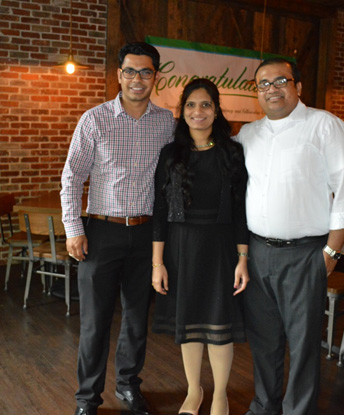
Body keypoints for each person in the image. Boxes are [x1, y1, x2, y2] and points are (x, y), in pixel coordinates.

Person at [235, 58, 344, 415]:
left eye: (281, 81)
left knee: (304, 345)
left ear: (298, 87)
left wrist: (330, 256)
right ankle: (264, 406)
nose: (271, 89)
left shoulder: (325, 126)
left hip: (306, 254)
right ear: (256, 91)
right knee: (263, 342)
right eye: (263, 83)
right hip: (258, 254)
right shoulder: (249, 134)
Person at [60, 42, 176, 415]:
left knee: (137, 319)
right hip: (102, 232)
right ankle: (87, 399)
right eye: (130, 71)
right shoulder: (94, 119)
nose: (137, 79)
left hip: (146, 235)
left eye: (145, 71)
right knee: (95, 323)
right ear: (119, 74)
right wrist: (73, 227)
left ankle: (128, 385)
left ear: (156, 76)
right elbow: (72, 177)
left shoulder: (167, 123)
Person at [151, 78, 250, 415]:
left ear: (217, 110)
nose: (198, 111)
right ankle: (194, 392)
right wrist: (157, 263)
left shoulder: (231, 152)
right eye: (191, 105)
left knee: (219, 324)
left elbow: (240, 210)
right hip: (181, 249)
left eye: (205, 104)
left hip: (221, 248)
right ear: (183, 111)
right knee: (190, 322)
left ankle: (220, 394)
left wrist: (242, 258)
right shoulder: (170, 153)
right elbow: (160, 211)